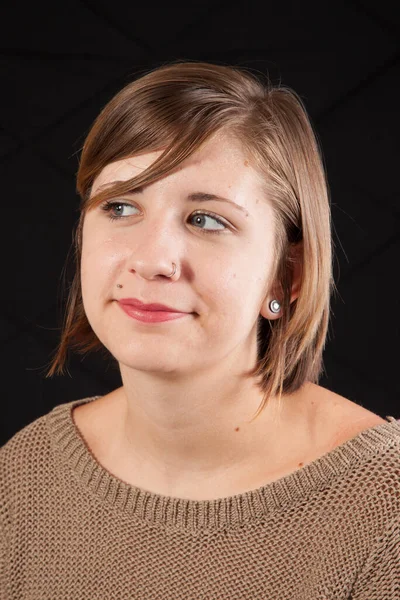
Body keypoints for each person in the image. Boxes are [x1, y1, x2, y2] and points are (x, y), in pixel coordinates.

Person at [1, 60, 399, 599]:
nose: (152, 260)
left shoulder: (384, 508)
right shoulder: (24, 477)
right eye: (120, 207)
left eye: (206, 219)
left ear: (290, 275)